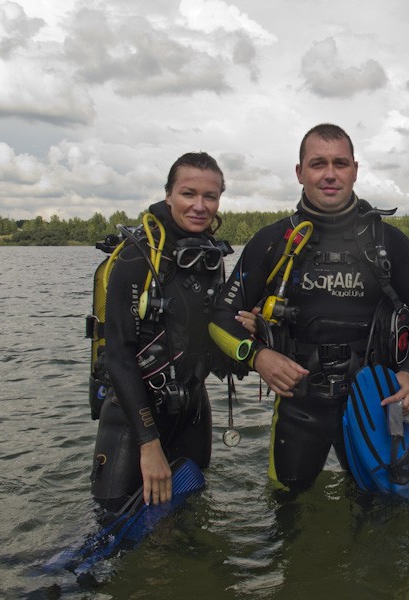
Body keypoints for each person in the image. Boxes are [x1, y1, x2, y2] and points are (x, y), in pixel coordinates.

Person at [208, 123, 409, 492]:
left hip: (379, 401)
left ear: (355, 169)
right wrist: (258, 358)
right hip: (299, 400)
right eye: (318, 164)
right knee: (287, 513)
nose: (330, 174)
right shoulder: (272, 241)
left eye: (340, 163)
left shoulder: (387, 241)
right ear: (300, 172)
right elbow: (221, 318)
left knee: (391, 512)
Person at [90, 152, 253, 510]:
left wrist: (246, 339)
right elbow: (117, 357)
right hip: (134, 418)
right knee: (112, 520)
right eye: (188, 193)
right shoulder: (137, 259)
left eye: (210, 197)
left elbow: (211, 349)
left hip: (192, 408)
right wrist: (148, 444)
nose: (199, 205)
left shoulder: (211, 259)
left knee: (188, 514)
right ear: (168, 196)